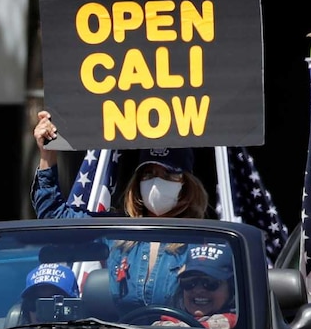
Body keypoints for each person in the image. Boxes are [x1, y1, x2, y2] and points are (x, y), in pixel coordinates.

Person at [30, 110, 210, 313]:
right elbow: (55, 220)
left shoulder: (203, 241)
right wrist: (47, 155)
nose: (156, 182)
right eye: (148, 173)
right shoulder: (117, 232)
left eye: (168, 175)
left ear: (186, 184)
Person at [155, 243, 238, 329]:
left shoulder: (232, 322)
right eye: (189, 282)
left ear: (230, 288)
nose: (198, 290)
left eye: (210, 283)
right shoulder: (171, 319)